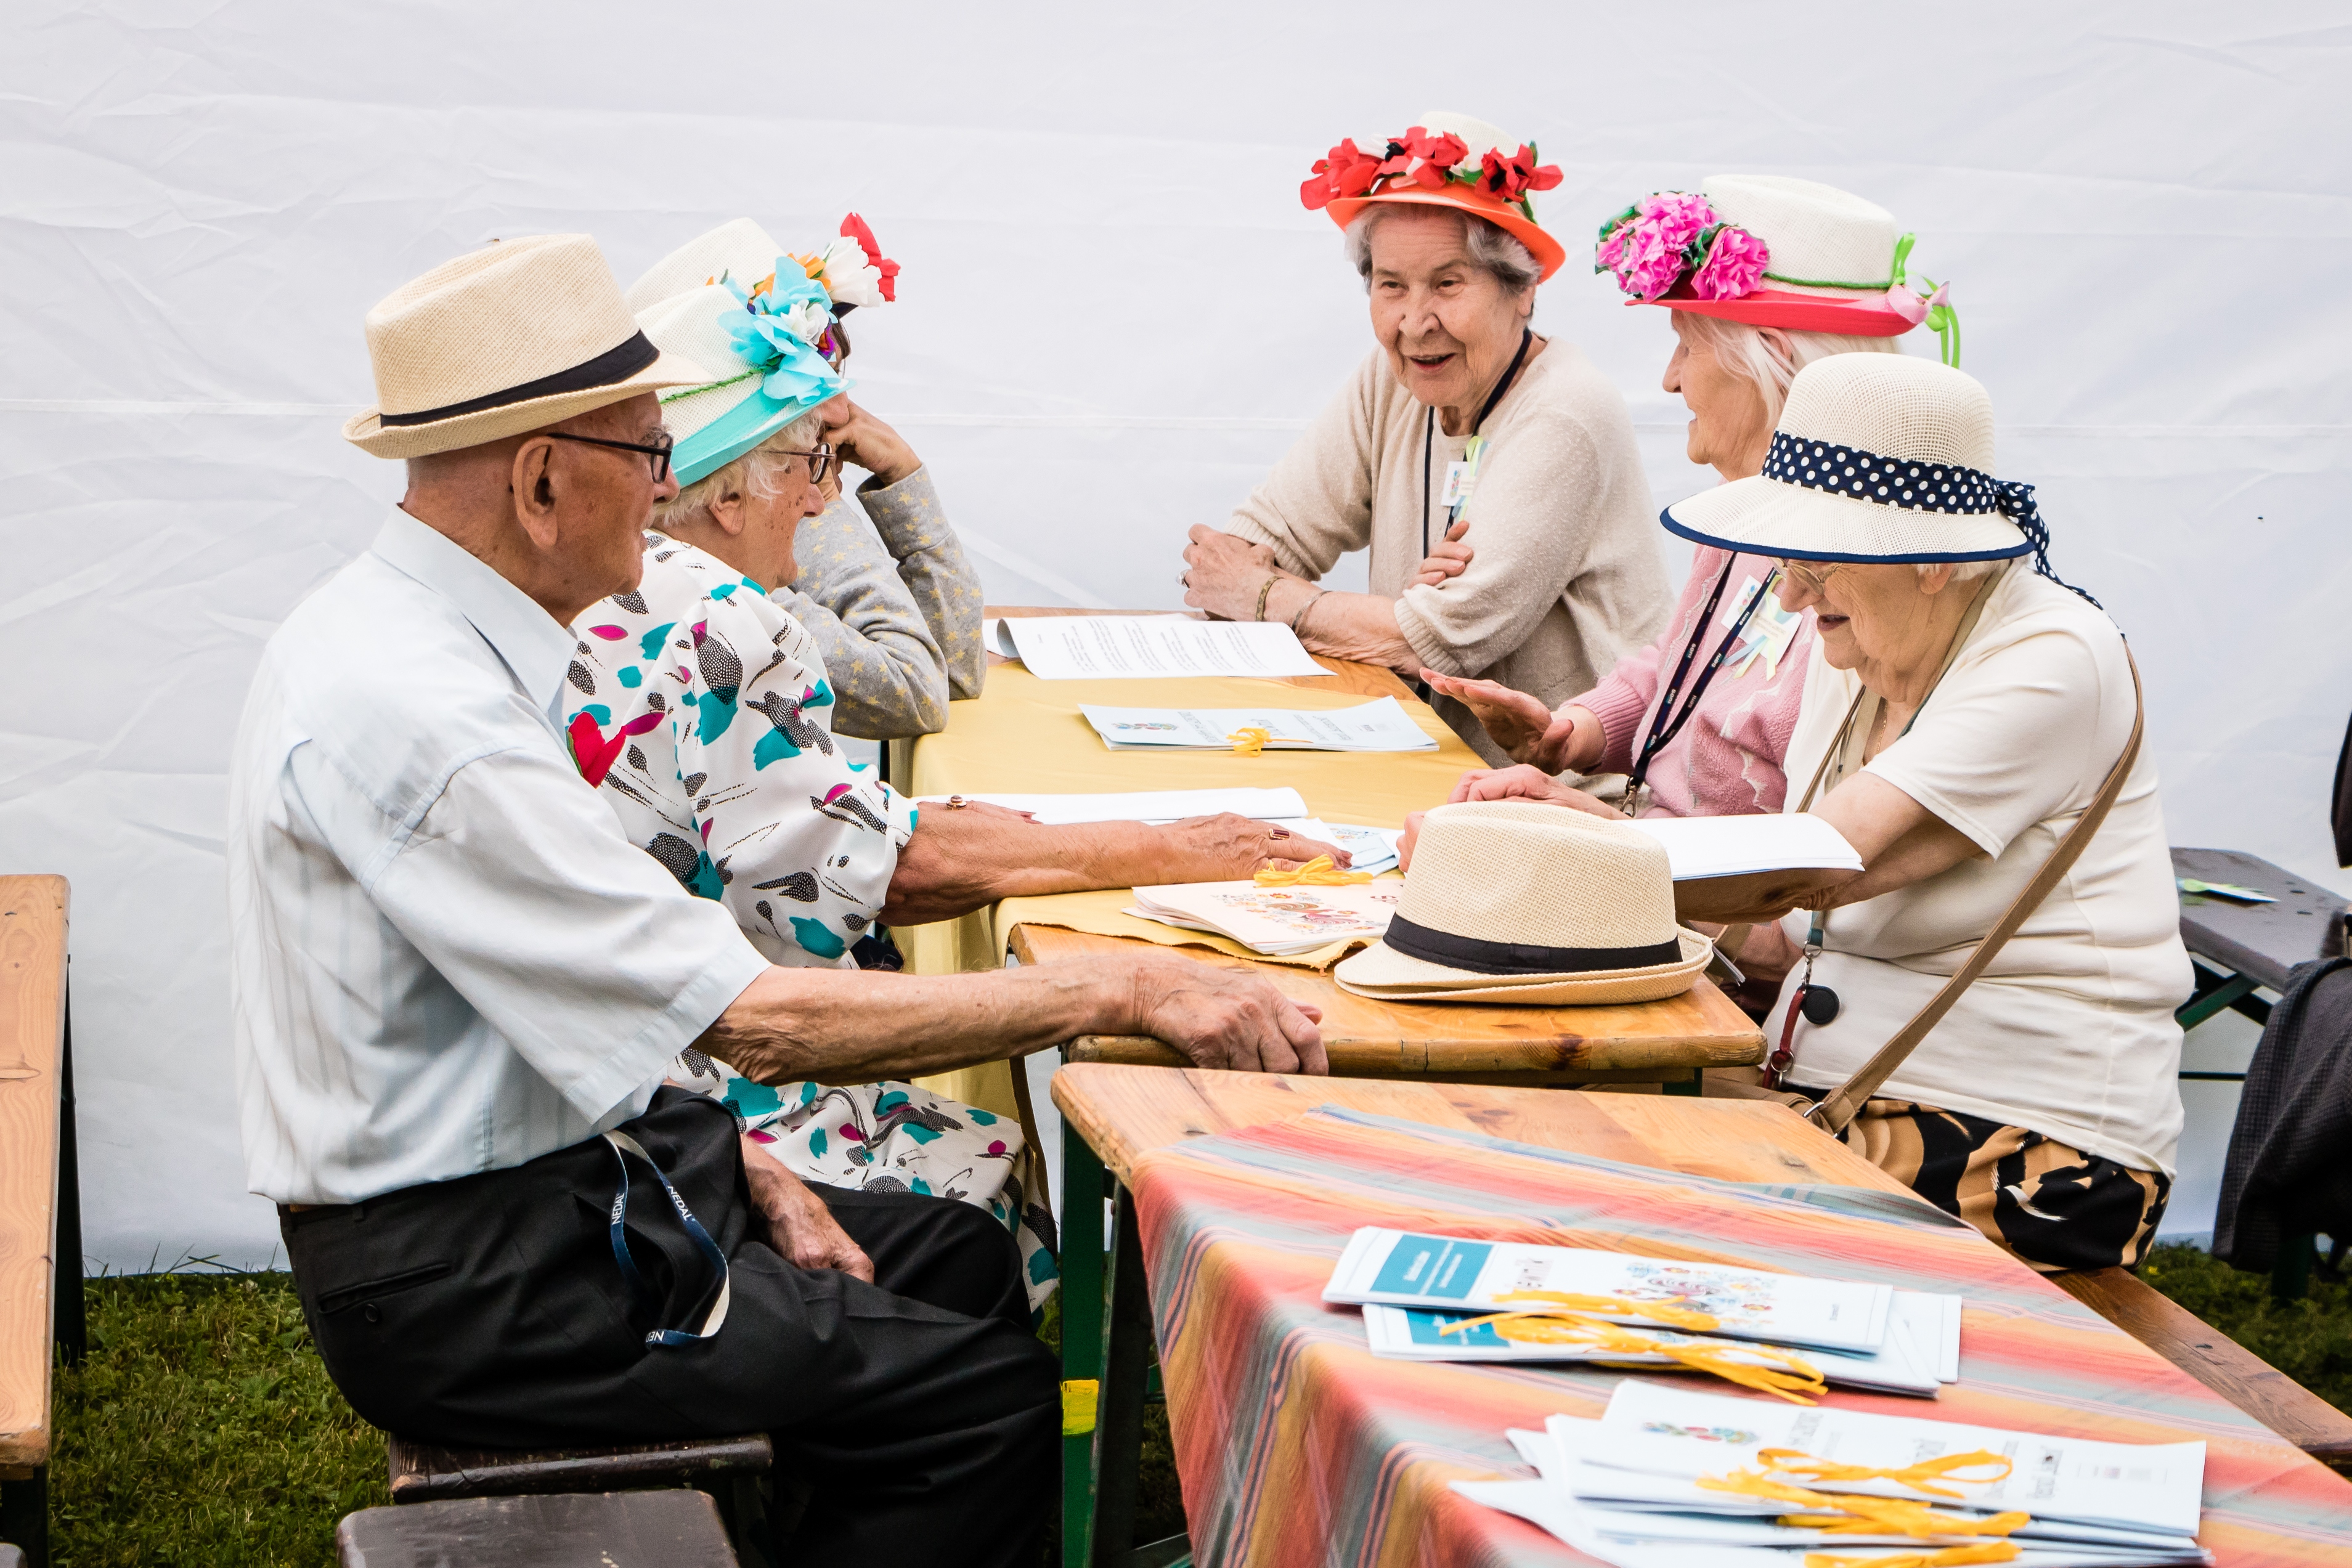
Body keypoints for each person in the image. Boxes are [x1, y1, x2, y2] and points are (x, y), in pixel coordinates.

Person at [228, 234, 1329, 1568]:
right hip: (481, 1280)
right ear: (539, 478)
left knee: (951, 1255)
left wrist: (736, 1163)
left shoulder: (419, 635)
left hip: (545, 1190)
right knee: (985, 1411)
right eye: (651, 458)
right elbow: (754, 1018)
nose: (669, 493)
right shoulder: (429, 715)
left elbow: (575, 1004)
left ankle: (799, 1522)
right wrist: (1129, 984)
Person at [580, 224, 1346, 1302]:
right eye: (805, 465)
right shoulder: (718, 609)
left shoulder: (626, 582)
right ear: (721, 492)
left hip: (614, 1067)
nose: (818, 497)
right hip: (688, 1094)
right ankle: (1006, 1387)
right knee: (976, 1157)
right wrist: (1165, 848)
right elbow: (873, 860)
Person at [1444, 354, 2189, 1272]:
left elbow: (1821, 860)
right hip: (1841, 1094)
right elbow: (1786, 923)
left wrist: (1582, 843)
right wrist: (1579, 840)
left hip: (2042, 1150)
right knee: (1524, 1144)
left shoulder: (2055, 656)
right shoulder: (1862, 656)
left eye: (1815, 559)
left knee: (1609, 1209)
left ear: (1926, 557)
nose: (1790, 595)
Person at [1427, 176, 1934, 823]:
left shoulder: (1865, 572)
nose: (1669, 378)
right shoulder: (1738, 515)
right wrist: (1569, 733)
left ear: (1769, 362)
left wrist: (1599, 828)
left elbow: (1792, 870)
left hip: (1708, 905)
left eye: (1687, 346)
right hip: (1655, 865)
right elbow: (1682, 667)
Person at [1178, 112, 1669, 764]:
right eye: (1390, 286)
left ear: (1521, 290)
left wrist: (1270, 596)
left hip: (1561, 797)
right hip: (1422, 760)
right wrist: (1370, 611)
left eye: (1447, 283)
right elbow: (1248, 550)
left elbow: (1438, 637)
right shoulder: (1390, 381)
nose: (1414, 322)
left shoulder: (1566, 412)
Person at [626, 216, 983, 742]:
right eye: (815, 388)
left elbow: (951, 668)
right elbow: (918, 688)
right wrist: (817, 492)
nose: (843, 410)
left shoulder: (717, 539)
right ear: (727, 492)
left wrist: (858, 472)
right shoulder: (718, 591)